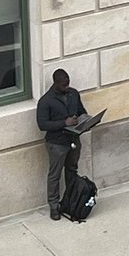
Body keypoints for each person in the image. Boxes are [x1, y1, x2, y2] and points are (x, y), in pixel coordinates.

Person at [36, 68, 87, 221]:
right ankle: (54, 206)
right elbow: (42, 124)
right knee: (55, 175)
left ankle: (71, 201)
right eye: (63, 85)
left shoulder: (73, 94)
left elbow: (81, 111)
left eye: (68, 84)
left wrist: (83, 121)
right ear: (56, 84)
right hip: (56, 143)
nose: (66, 87)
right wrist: (64, 123)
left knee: (72, 170)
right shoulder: (46, 101)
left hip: (73, 139)